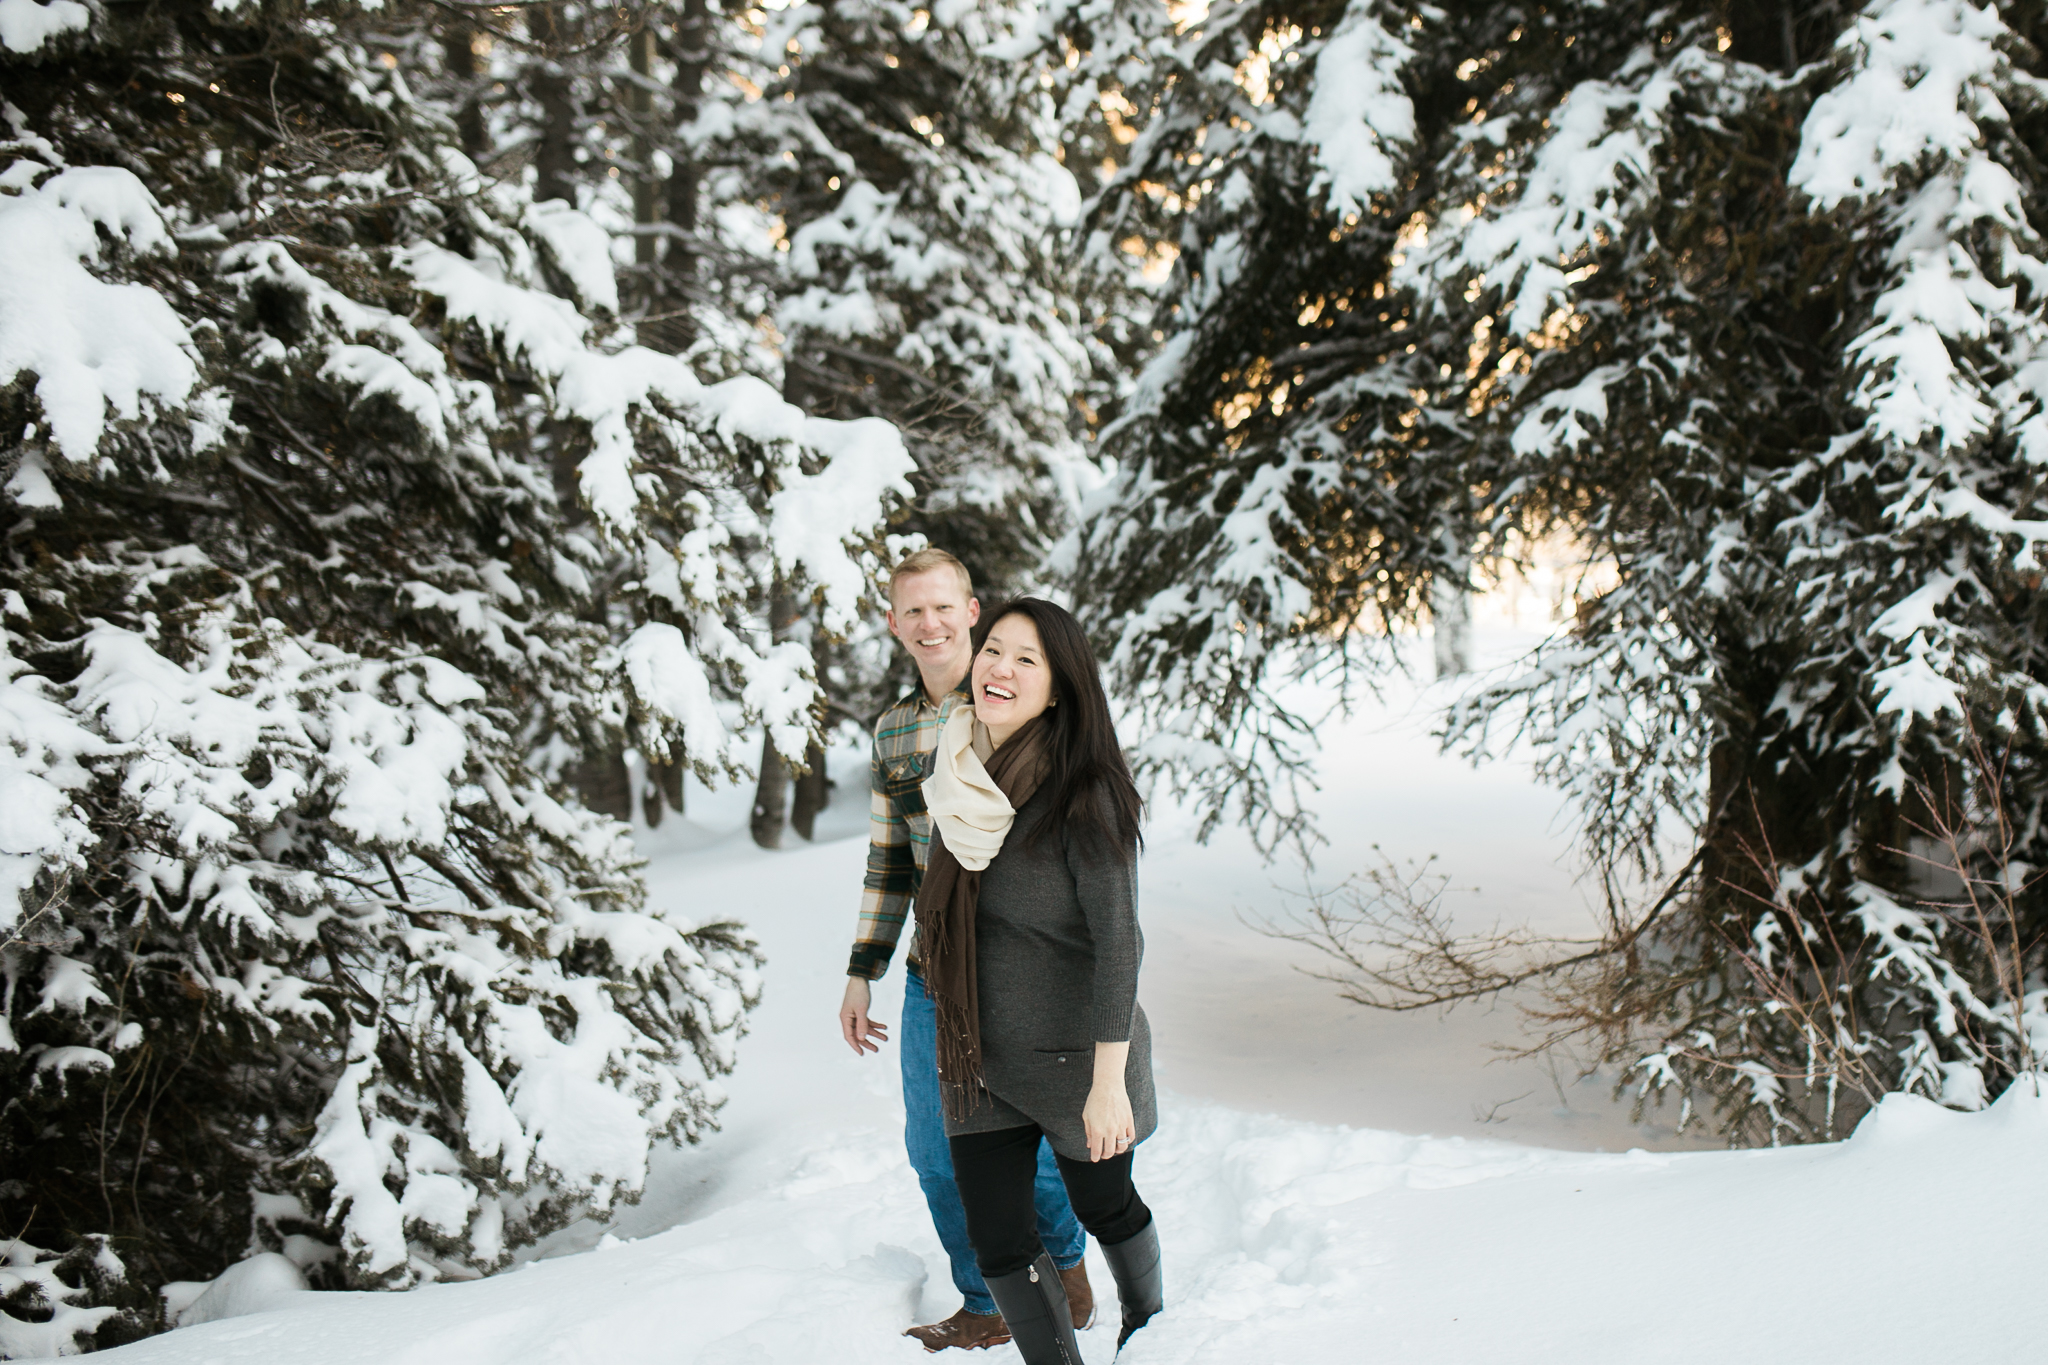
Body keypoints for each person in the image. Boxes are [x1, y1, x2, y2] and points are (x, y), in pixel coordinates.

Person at [836, 549, 1094, 1352]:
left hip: (1018, 970)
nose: (931, 623)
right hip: (932, 974)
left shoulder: (1014, 707)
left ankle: (1065, 1265)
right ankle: (985, 1294)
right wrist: (861, 970)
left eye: (943, 607)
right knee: (934, 1146)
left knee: (1027, 1136)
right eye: (913, 610)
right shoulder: (895, 731)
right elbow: (890, 860)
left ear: (972, 610)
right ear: (893, 622)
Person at [918, 597, 1163, 1364]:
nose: (1001, 667)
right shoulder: (957, 771)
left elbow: (1119, 942)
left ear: (1058, 688)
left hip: (1073, 1059)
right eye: (995, 649)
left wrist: (1108, 1079)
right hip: (978, 1054)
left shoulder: (1084, 793)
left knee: (1102, 1204)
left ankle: (1152, 1327)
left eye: (1028, 658)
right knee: (997, 1241)